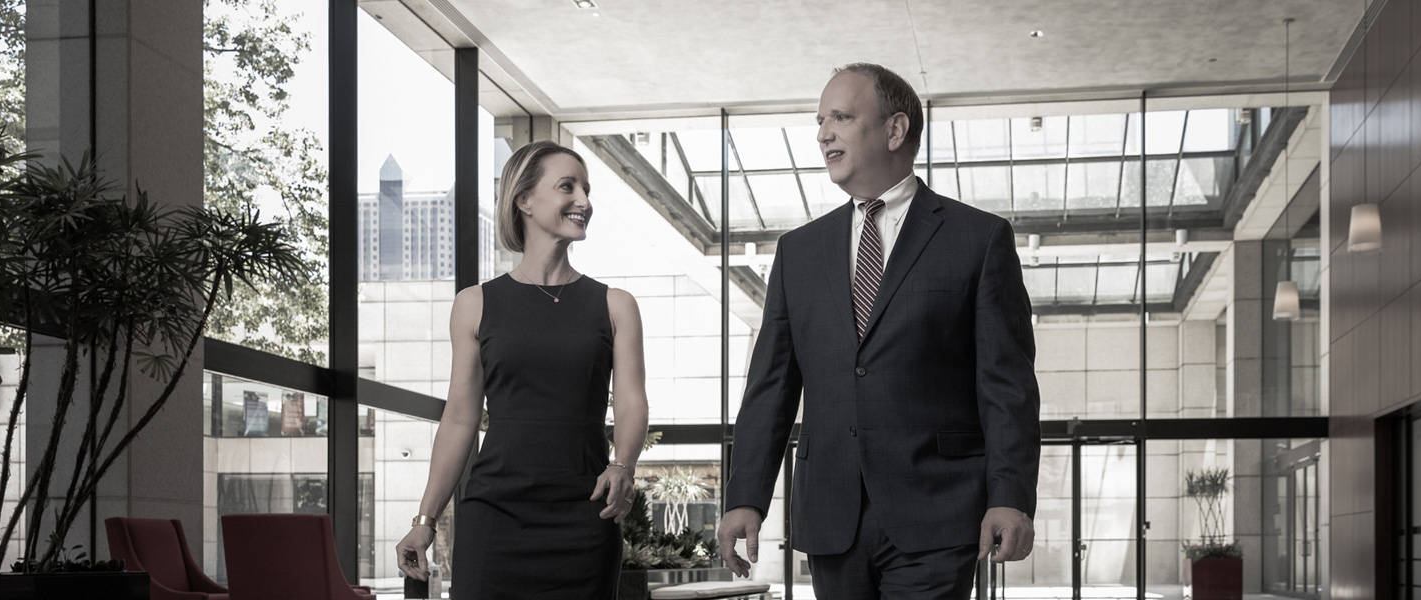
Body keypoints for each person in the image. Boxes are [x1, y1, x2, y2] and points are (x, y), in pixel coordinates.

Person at [717, 63, 1042, 597]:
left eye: (841, 117)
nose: (823, 133)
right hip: (830, 514)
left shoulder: (978, 240)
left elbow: (1007, 386)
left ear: (895, 130)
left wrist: (1010, 495)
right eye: (821, 120)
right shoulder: (798, 252)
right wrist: (745, 496)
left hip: (937, 510)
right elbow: (770, 386)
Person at [394, 140, 649, 598]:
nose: (584, 202)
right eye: (567, 187)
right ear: (524, 200)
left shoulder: (615, 306)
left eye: (586, 190)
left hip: (584, 517)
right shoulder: (474, 304)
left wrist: (624, 465)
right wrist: (424, 520)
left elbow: (631, 400)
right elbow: (459, 417)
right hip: (495, 516)